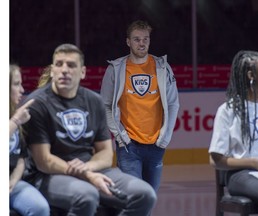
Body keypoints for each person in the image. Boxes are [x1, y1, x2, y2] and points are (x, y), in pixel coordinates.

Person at [22, 43, 157, 216]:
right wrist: (86, 175)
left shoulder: (94, 101)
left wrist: (88, 168)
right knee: (87, 196)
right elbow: (44, 161)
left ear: (83, 72)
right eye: (59, 64)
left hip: (90, 168)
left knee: (145, 195)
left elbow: (106, 155)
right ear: (53, 69)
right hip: (49, 175)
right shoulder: (37, 104)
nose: (64, 70)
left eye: (71, 65)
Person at [100, 20, 180, 193]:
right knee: (134, 198)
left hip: (156, 146)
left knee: (148, 200)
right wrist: (121, 137)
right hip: (129, 147)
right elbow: (105, 105)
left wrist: (164, 137)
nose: (141, 43)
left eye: (145, 39)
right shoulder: (115, 69)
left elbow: (173, 103)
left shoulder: (163, 67)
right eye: (136, 39)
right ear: (128, 42)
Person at [208, 50, 258, 216]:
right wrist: (254, 162)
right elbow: (215, 160)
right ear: (251, 75)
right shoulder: (228, 110)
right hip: (241, 175)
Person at [9, 64, 50, 216]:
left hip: (12, 184)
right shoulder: (16, 119)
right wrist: (15, 121)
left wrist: (13, 180)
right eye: (16, 84)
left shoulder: (15, 116)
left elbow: (21, 158)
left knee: (40, 208)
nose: (21, 90)